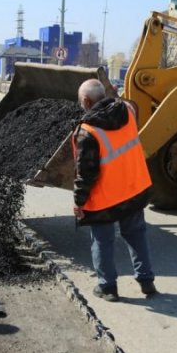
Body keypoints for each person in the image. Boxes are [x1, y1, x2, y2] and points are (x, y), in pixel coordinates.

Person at [72, 79, 157, 302]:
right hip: (134, 188)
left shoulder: (87, 132)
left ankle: (108, 287)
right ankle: (146, 281)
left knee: (102, 241)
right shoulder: (127, 112)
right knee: (137, 235)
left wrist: (78, 202)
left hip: (106, 199)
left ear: (85, 101)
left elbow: (85, 174)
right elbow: (127, 106)